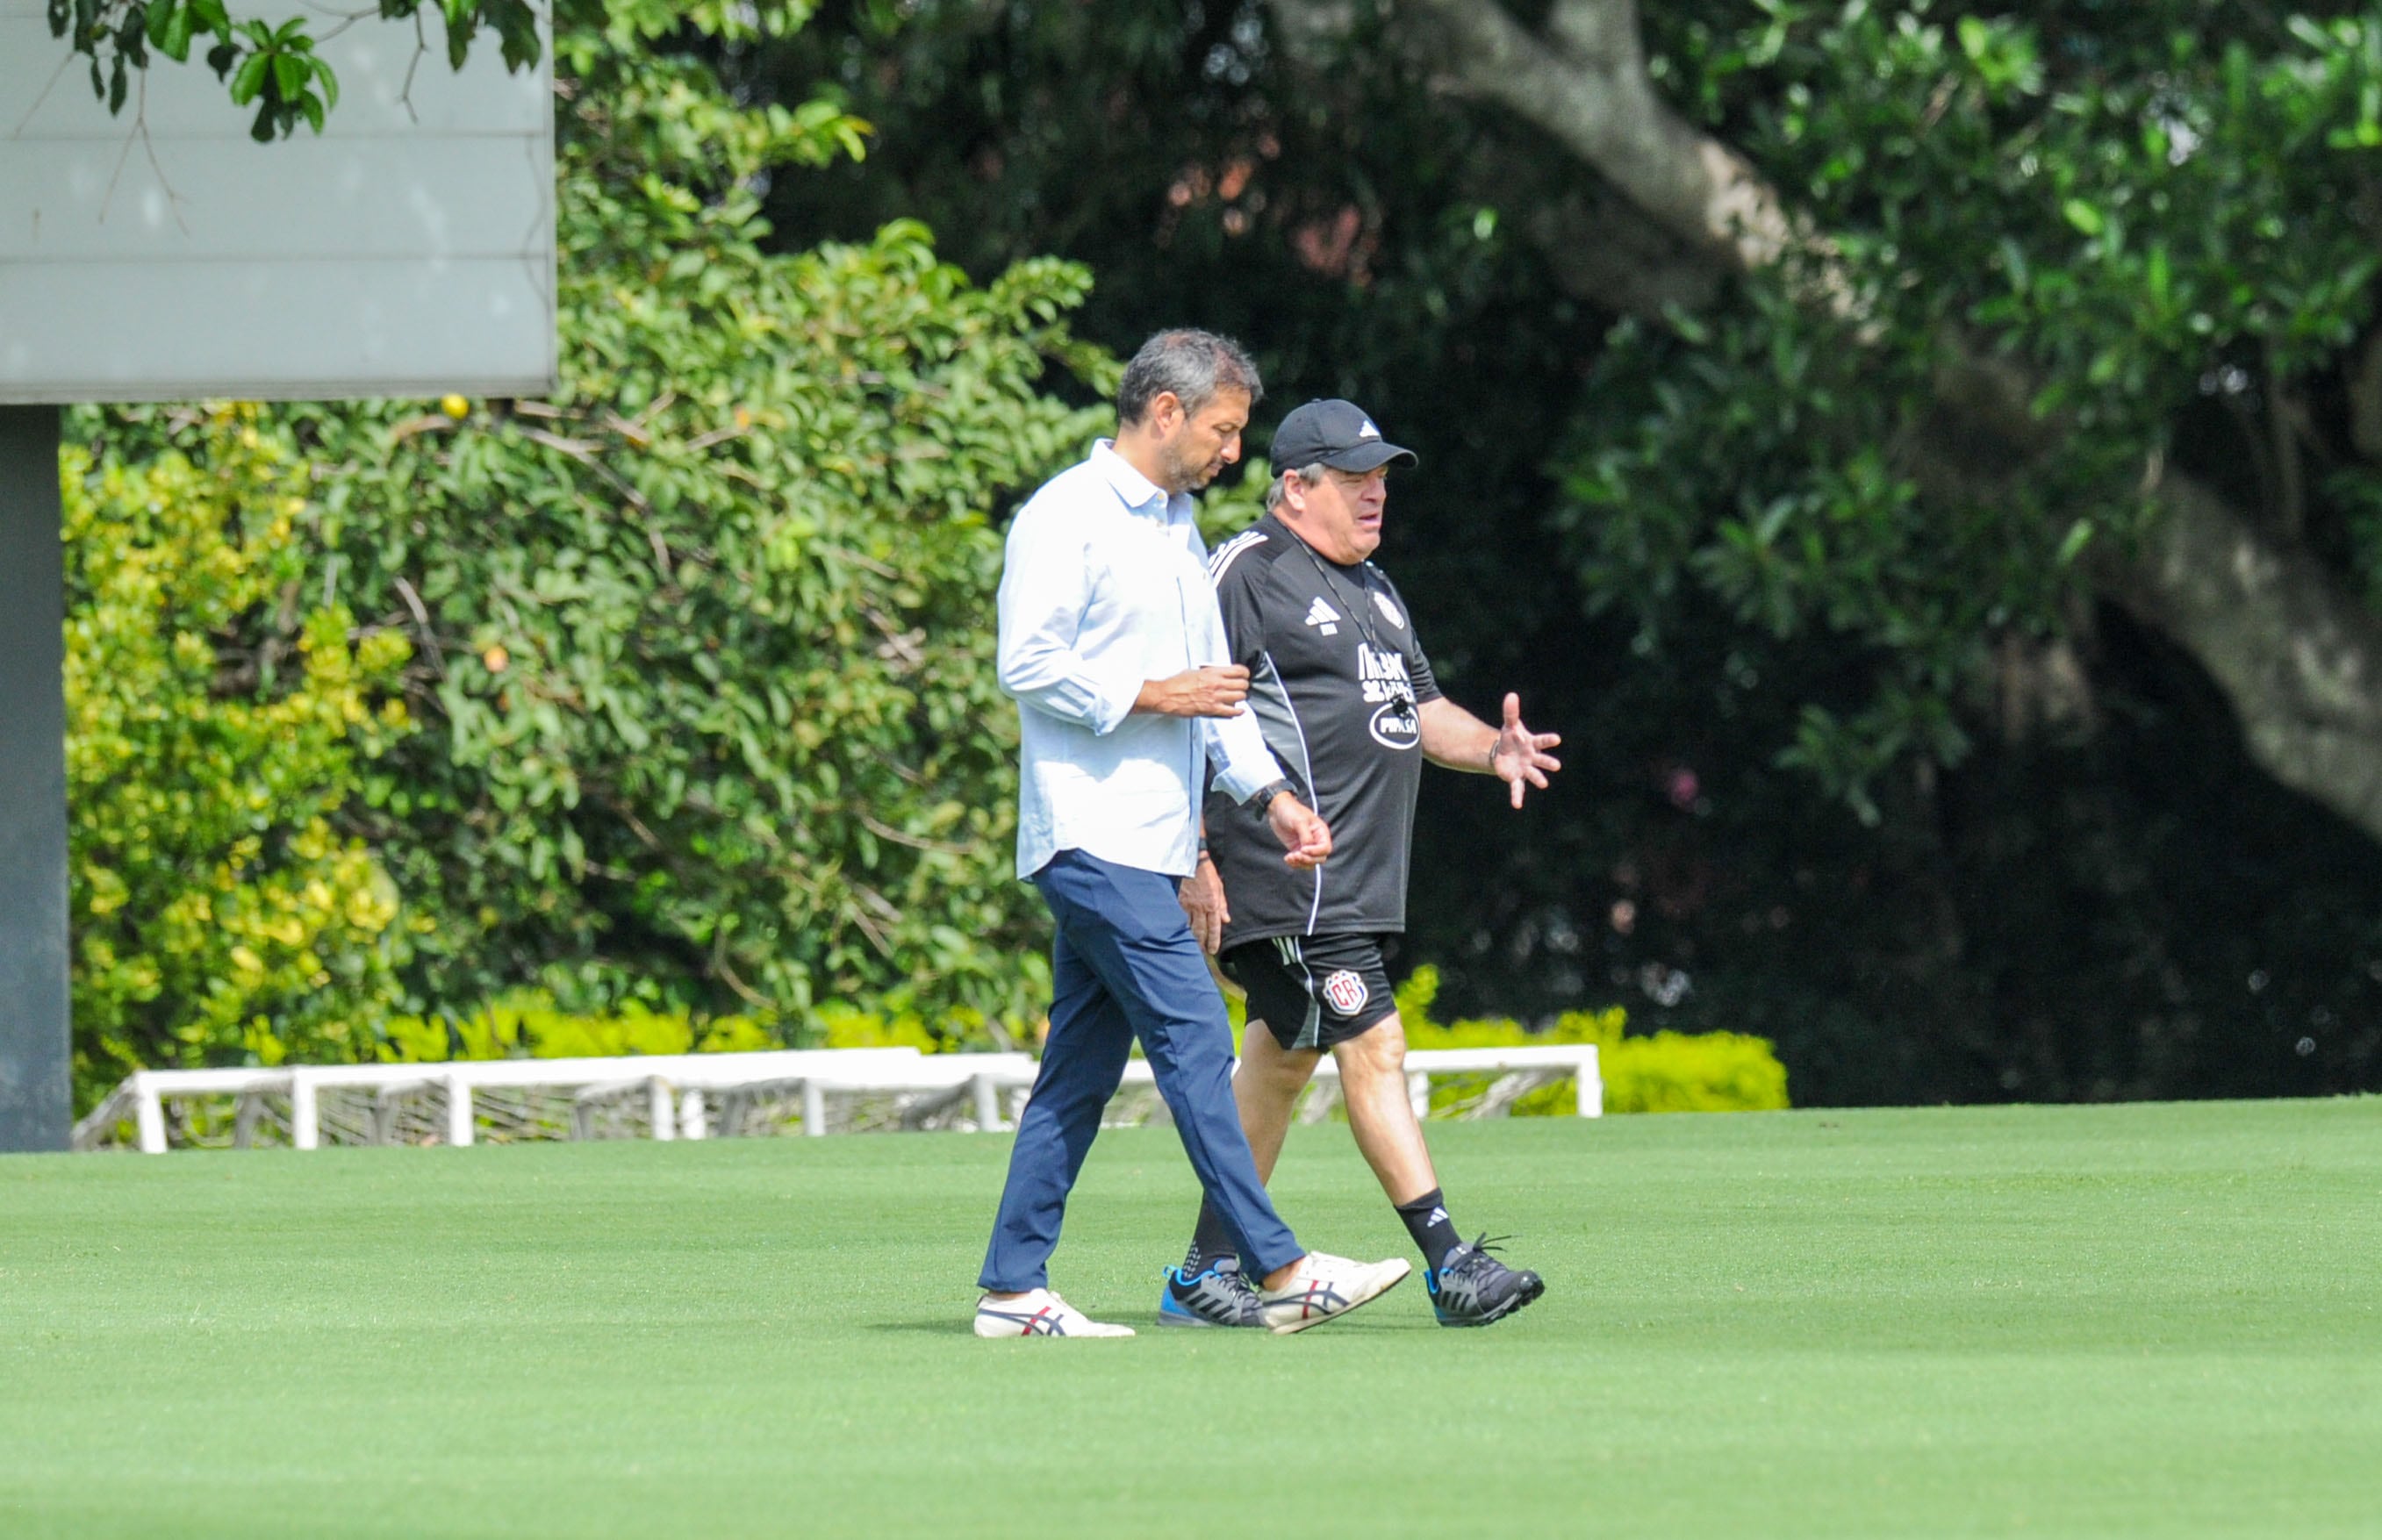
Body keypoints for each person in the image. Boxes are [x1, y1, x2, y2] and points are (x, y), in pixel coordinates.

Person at [973, 336, 1413, 1339]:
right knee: (1197, 1039)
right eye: (1222, 430)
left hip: (1150, 841)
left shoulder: (1176, 526)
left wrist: (1271, 799)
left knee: (1078, 1074)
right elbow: (1025, 663)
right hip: (1090, 834)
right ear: (1165, 413)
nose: (1232, 452)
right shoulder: (1065, 515)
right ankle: (1281, 1269)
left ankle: (1011, 1288)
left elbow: (1218, 693)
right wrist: (1151, 694)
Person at [1158, 398, 1563, 1330]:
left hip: (1352, 881)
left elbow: (1422, 711)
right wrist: (1194, 855)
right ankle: (1451, 1264)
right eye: (1353, 479)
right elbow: (1189, 713)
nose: (1375, 493)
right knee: (1373, 1043)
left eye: (1380, 478)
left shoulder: (1376, 588)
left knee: (1281, 1060)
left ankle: (1204, 1274)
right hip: (1284, 873)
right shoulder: (1246, 571)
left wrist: (1491, 749)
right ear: (1295, 487)